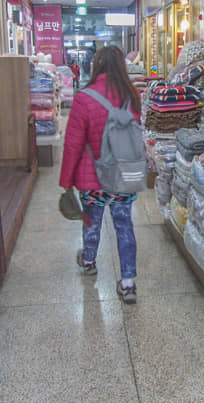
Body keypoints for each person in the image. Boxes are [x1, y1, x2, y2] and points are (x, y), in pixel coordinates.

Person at [59, 46, 142, 304]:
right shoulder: (133, 95)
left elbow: (73, 143)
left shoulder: (84, 98)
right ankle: (128, 282)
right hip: (123, 176)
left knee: (91, 221)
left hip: (92, 176)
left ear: (96, 65)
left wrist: (66, 180)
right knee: (124, 225)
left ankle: (89, 261)